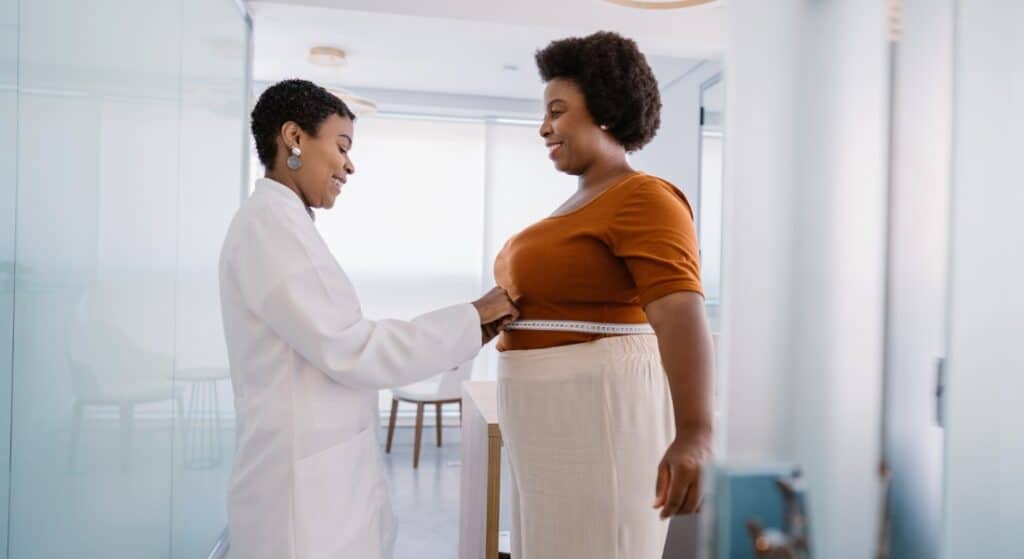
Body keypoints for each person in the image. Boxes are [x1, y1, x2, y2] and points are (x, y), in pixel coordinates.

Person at [219, 79, 517, 559]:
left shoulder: (286, 223)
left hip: (317, 481)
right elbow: (352, 348)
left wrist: (470, 328)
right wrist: (470, 317)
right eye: (341, 147)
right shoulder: (268, 226)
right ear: (293, 137)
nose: (349, 165)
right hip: (298, 502)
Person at [494, 32, 715, 558]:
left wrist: (696, 432)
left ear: (606, 111)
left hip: (598, 426)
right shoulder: (574, 207)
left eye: (557, 110)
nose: (544, 127)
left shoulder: (644, 198)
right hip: (548, 430)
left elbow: (681, 315)